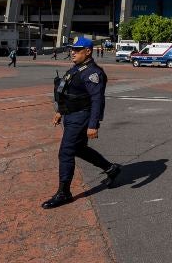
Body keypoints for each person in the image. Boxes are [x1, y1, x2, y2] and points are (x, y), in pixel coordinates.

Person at [42, 36, 122, 209]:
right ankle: (111, 169)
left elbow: (97, 100)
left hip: (81, 117)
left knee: (66, 152)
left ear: (88, 51)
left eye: (77, 50)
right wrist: (60, 111)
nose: (73, 52)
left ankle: (64, 192)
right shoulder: (76, 69)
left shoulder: (93, 73)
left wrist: (93, 125)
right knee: (79, 149)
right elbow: (67, 92)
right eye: (72, 49)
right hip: (70, 115)